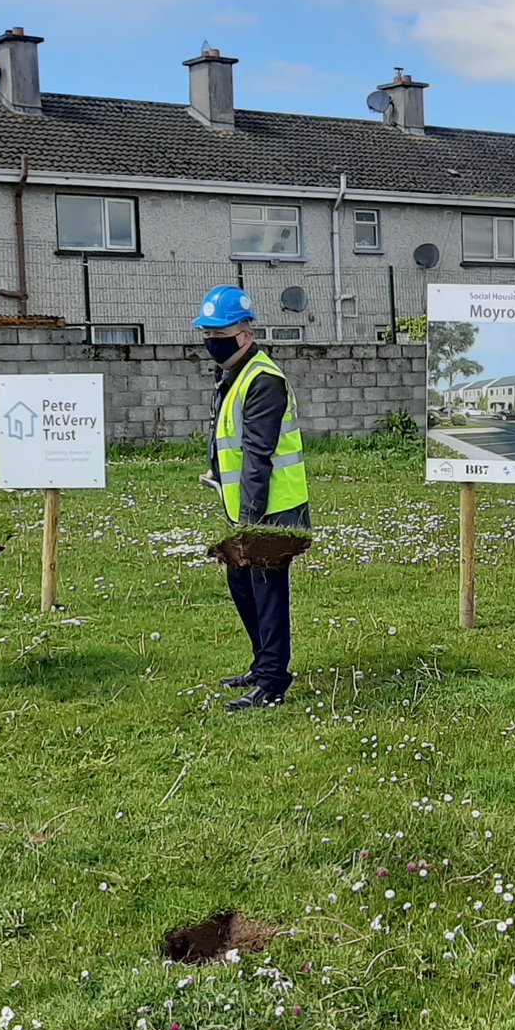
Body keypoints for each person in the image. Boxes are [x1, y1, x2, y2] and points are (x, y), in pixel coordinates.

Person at [196, 285, 309, 711]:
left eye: (217, 331)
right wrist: (217, 469)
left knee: (267, 590)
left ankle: (273, 683)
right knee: (241, 583)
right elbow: (233, 440)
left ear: (245, 335)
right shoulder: (234, 376)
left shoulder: (263, 380)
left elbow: (259, 454)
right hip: (248, 504)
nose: (209, 339)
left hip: (272, 509)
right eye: (205, 331)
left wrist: (250, 523)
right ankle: (262, 664)